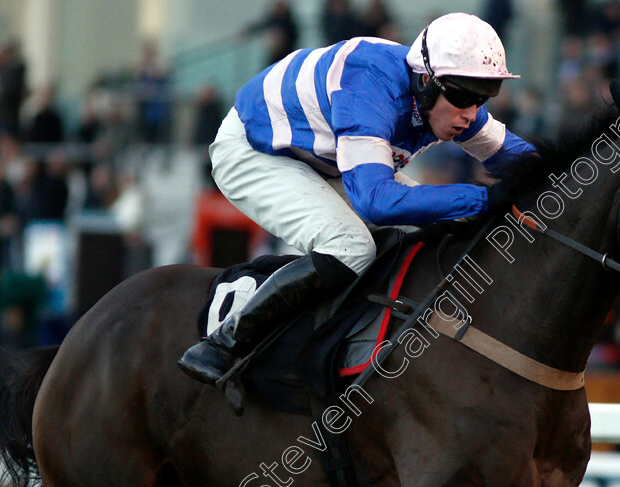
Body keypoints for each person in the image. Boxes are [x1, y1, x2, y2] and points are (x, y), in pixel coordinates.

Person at [178, 12, 537, 385]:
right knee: (350, 246)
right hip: (257, 148)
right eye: (464, 96)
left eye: (483, 98)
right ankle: (225, 343)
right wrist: (484, 198)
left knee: (452, 221)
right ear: (427, 81)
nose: (471, 113)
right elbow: (376, 202)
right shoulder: (370, 87)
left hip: (329, 156)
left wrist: (598, 156)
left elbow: (529, 164)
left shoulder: (447, 97)